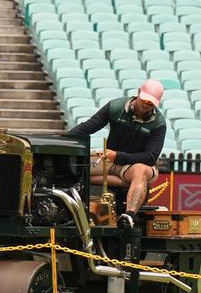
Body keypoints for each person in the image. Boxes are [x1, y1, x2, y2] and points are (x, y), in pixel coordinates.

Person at [67, 79, 166, 229]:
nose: (146, 105)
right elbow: (88, 127)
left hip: (134, 166)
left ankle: (129, 216)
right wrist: (63, 139)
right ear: (138, 92)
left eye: (150, 103)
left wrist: (118, 156)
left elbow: (150, 157)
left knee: (140, 171)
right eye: (144, 100)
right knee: (77, 167)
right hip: (111, 161)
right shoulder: (115, 107)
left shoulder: (159, 124)